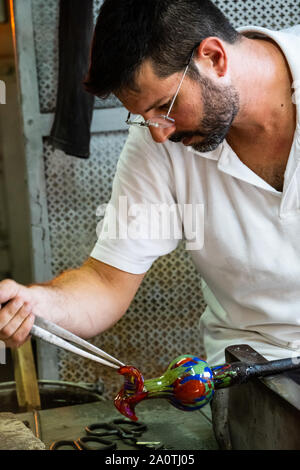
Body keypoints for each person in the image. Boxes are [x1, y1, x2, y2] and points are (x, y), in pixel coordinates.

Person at [0, 0, 299, 367]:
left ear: (214, 58)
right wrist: (35, 303)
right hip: (253, 369)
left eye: (163, 106)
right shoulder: (162, 144)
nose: (159, 134)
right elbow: (106, 282)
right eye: (143, 117)